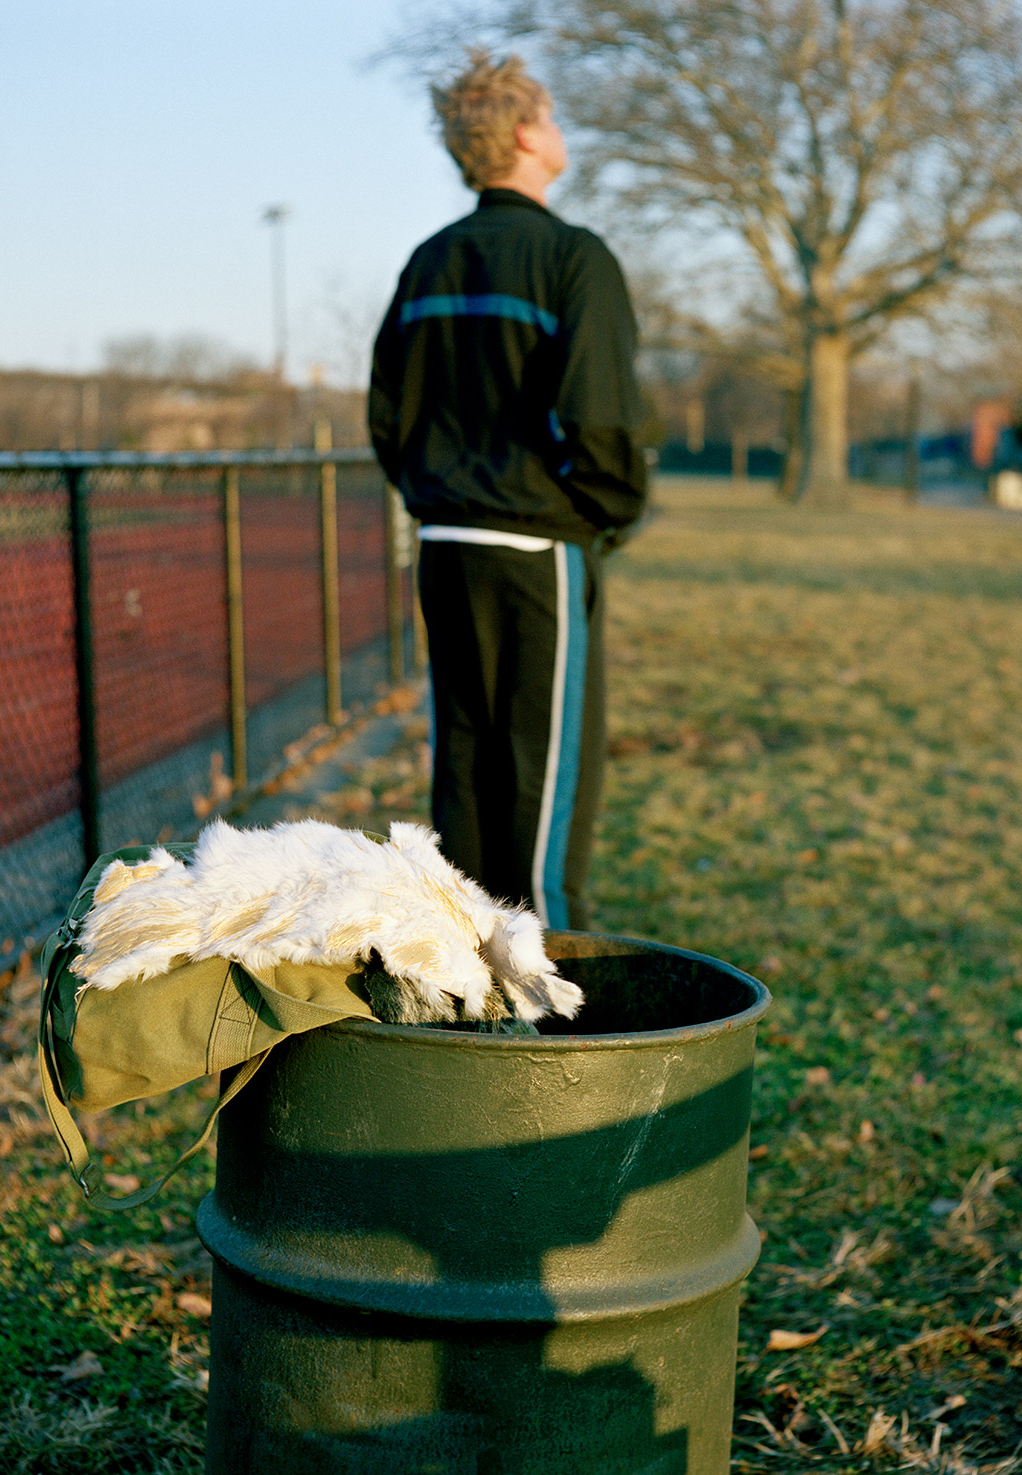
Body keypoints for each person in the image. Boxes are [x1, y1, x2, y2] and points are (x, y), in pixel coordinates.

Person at [369, 51, 647, 930]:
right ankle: (539, 1016)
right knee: (544, 780)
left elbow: (387, 414)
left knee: (463, 767)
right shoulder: (574, 258)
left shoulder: (428, 260)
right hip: (536, 553)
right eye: (554, 117)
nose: (561, 132)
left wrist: (434, 494)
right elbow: (602, 419)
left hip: (445, 551)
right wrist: (605, 514)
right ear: (528, 135)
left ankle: (461, 1002)